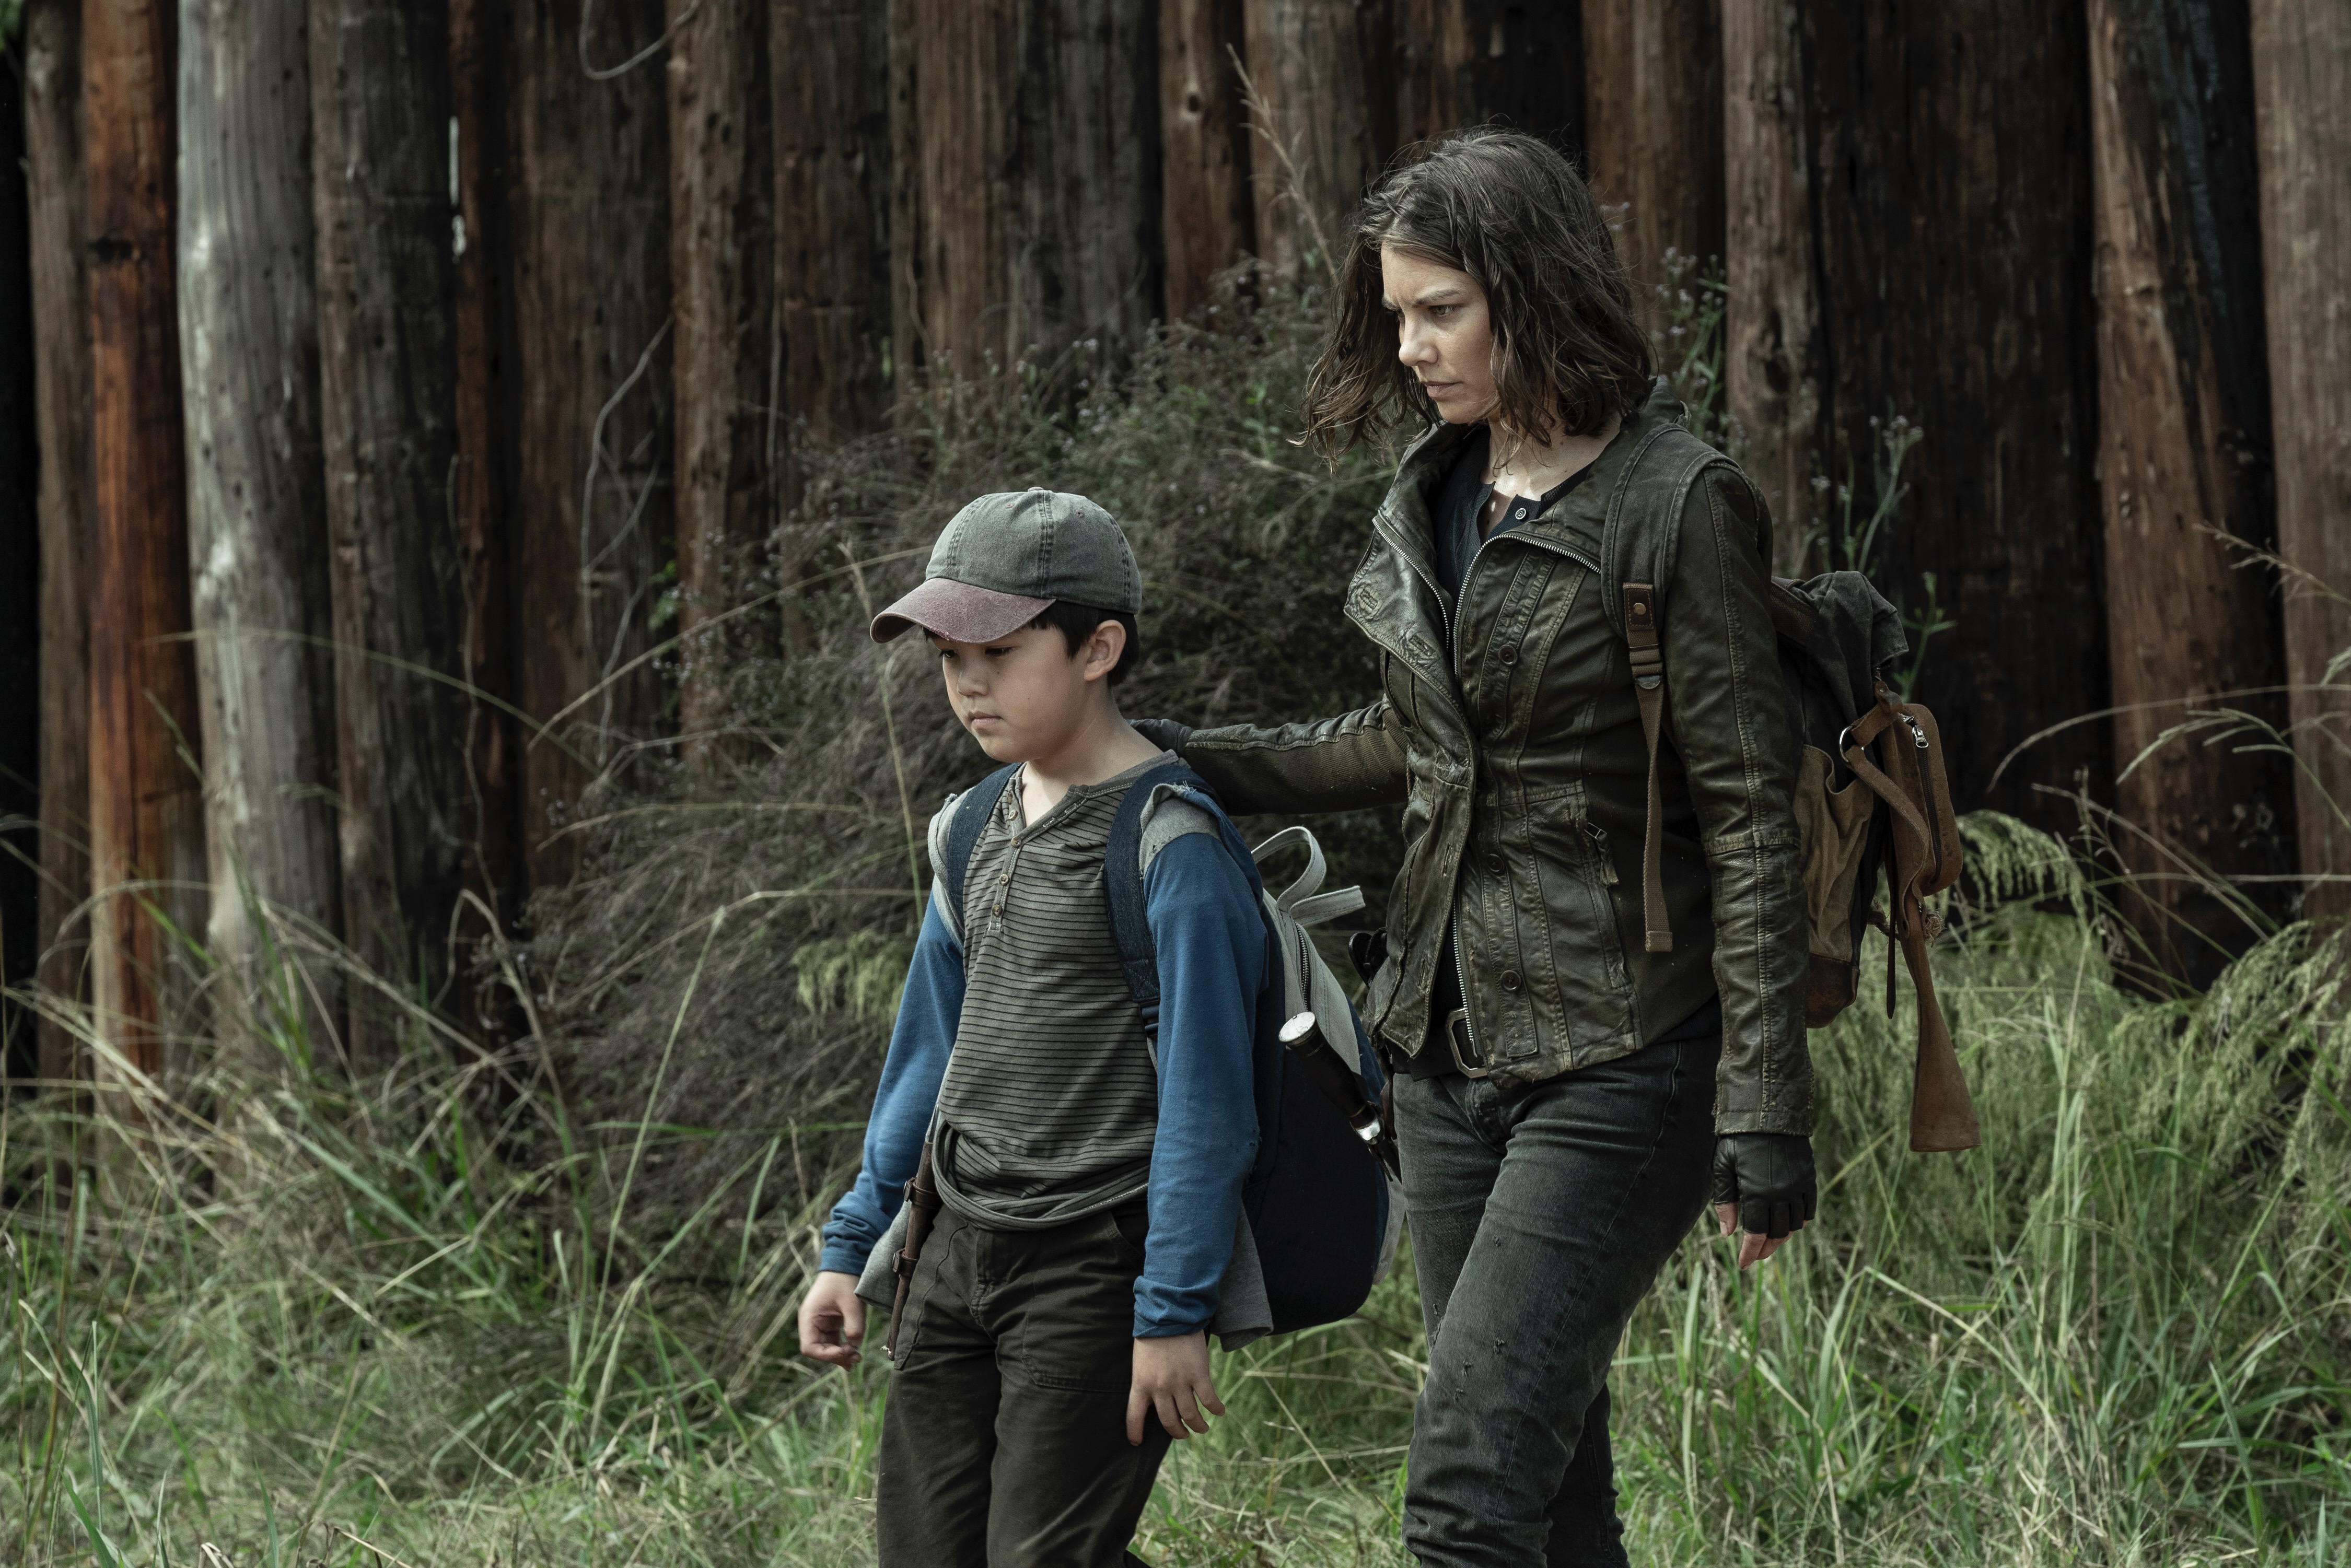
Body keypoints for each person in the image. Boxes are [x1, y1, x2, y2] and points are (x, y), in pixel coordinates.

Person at [1135, 128, 1819, 1566]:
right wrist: (1185, 756)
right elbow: (1412, 742)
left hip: (1621, 1059)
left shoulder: (1675, 502)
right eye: (1397, 314)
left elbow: (1753, 821)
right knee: (1549, 1490)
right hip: (1442, 1062)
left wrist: (1763, 1110)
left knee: (1464, 1485)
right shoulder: (1442, 488)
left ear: (1532, 288)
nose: (1410, 346)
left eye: (1440, 310)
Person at [796, 488, 1268, 1568]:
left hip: (1094, 1265)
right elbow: (928, 1059)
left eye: (1000, 652)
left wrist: (1172, 1309)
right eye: (949, 657)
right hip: (954, 1245)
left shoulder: (1174, 846)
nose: (968, 682)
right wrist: (854, 1244)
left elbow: (1209, 1107)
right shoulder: (970, 827)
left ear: (1098, 647)